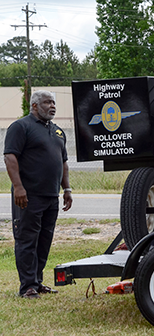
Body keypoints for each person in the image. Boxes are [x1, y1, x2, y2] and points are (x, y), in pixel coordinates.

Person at [3, 90, 73, 299]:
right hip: (28, 195)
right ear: (34, 106)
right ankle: (27, 287)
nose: (52, 106)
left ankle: (38, 282)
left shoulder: (58, 131)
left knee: (44, 240)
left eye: (53, 102)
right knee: (27, 240)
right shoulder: (20, 127)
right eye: (47, 102)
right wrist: (19, 187)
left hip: (51, 196)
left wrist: (67, 189)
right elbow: (10, 158)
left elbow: (63, 163)